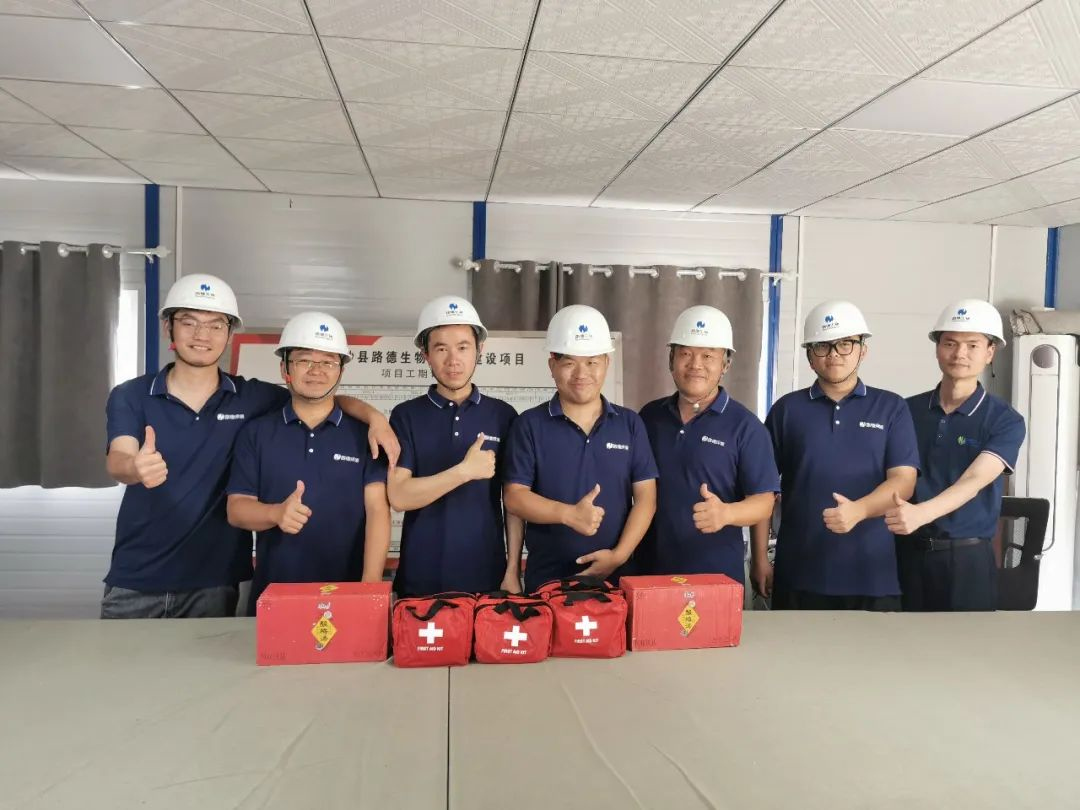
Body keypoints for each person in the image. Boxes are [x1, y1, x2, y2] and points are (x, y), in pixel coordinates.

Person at [102, 275, 398, 619]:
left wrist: (375, 417)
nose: (202, 335)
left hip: (215, 579)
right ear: (169, 327)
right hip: (138, 575)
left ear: (229, 334)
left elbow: (317, 396)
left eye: (216, 325)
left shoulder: (252, 398)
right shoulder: (132, 395)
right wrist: (134, 467)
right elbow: (119, 457)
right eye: (189, 322)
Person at [755, 300, 918, 611]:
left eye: (845, 344)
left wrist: (859, 510)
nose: (834, 355)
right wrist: (760, 557)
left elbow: (904, 481)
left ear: (863, 350)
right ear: (809, 356)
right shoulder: (787, 410)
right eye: (822, 346)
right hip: (799, 573)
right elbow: (762, 490)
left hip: (872, 575)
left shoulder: (891, 408)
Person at [226, 313, 390, 614]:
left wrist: (370, 584)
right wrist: (276, 513)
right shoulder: (257, 432)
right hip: (275, 596)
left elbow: (377, 509)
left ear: (341, 370)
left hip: (347, 594)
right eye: (304, 361)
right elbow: (236, 509)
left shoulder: (364, 435)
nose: (317, 371)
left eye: (328, 362)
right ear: (285, 368)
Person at [503, 304, 658, 594]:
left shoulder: (630, 424)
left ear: (606, 363)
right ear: (552, 366)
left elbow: (646, 498)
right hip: (547, 581)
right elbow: (514, 498)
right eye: (569, 363)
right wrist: (568, 514)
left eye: (591, 362)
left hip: (617, 582)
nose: (581, 373)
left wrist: (619, 556)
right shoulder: (529, 425)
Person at [887, 299, 1025, 611]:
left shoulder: (1004, 419)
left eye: (972, 345)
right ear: (937, 349)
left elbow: (974, 480)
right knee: (898, 640)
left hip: (966, 559)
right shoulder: (905, 410)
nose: (960, 353)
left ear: (989, 352)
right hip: (904, 553)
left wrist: (921, 513)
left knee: (965, 642)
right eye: (950, 343)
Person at [386, 296, 522, 596]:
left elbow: (514, 503)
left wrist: (512, 570)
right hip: (420, 578)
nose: (453, 360)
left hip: (487, 577)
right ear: (425, 355)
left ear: (479, 350)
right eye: (441, 349)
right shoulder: (406, 415)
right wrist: (464, 472)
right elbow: (399, 496)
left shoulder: (503, 416)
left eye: (463, 347)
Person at [639, 305, 778, 581]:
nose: (695, 365)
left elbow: (764, 501)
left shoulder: (746, 427)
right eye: (686, 353)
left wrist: (726, 513)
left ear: (725, 364)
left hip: (716, 576)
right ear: (671, 360)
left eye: (708, 356)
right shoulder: (649, 417)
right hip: (648, 573)